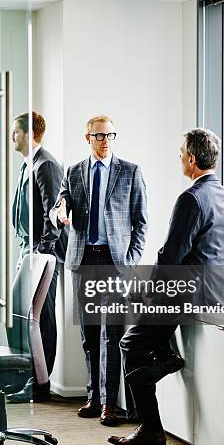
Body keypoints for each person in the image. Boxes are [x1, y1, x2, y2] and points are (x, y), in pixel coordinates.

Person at [108, 128, 224, 445]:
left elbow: (170, 256)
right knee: (143, 336)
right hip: (216, 291)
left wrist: (149, 293)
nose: (179, 157)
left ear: (192, 159)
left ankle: (151, 419)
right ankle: (162, 357)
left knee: (129, 344)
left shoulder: (191, 197)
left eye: (181, 152)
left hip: (186, 294)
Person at [49, 115, 147, 426]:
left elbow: (141, 223)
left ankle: (109, 402)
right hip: (82, 261)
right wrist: (59, 212)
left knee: (111, 334)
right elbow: (59, 206)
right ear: (87, 138)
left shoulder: (130, 171)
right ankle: (92, 396)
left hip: (114, 262)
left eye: (110, 135)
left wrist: (129, 261)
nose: (105, 141)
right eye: (99, 136)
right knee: (89, 334)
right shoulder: (75, 171)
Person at [6, 111, 66, 404]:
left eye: (15, 132)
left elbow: (54, 212)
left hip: (42, 253)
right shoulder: (28, 165)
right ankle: (29, 377)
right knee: (25, 316)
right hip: (28, 249)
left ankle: (40, 383)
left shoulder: (47, 166)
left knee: (41, 318)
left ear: (30, 134)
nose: (11, 138)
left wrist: (43, 249)